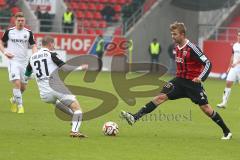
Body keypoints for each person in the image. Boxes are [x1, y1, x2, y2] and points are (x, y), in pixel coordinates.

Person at [121, 21, 232, 140]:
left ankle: (227, 132)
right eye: (172, 34)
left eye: (175, 34)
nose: (172, 37)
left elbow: (208, 63)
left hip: (192, 84)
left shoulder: (192, 48)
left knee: (206, 109)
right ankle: (134, 117)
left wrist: (200, 78)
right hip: (178, 81)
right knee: (160, 97)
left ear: (182, 34)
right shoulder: (177, 47)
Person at [24, 36, 88, 138]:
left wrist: (33, 77)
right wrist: (81, 67)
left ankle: (73, 117)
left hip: (44, 95)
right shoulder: (51, 54)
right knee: (77, 109)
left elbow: (26, 76)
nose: (54, 46)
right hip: (56, 88)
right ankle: (74, 131)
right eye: (53, 44)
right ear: (50, 44)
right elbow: (65, 68)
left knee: (56, 101)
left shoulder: (32, 57)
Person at [0, 12, 37, 114]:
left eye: (22, 20)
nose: (20, 22)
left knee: (23, 87)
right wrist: (5, 52)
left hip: (24, 62)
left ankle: (14, 99)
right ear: (15, 21)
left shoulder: (28, 32)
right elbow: (1, 43)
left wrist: (34, 55)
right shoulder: (9, 32)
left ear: (24, 21)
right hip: (13, 61)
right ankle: (20, 106)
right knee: (16, 82)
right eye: (19, 20)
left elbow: (33, 45)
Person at [217, 31, 240, 108]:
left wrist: (236, 63)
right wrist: (229, 67)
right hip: (233, 68)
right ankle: (224, 103)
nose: (239, 37)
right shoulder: (235, 45)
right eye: (238, 35)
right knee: (228, 83)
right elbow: (232, 56)